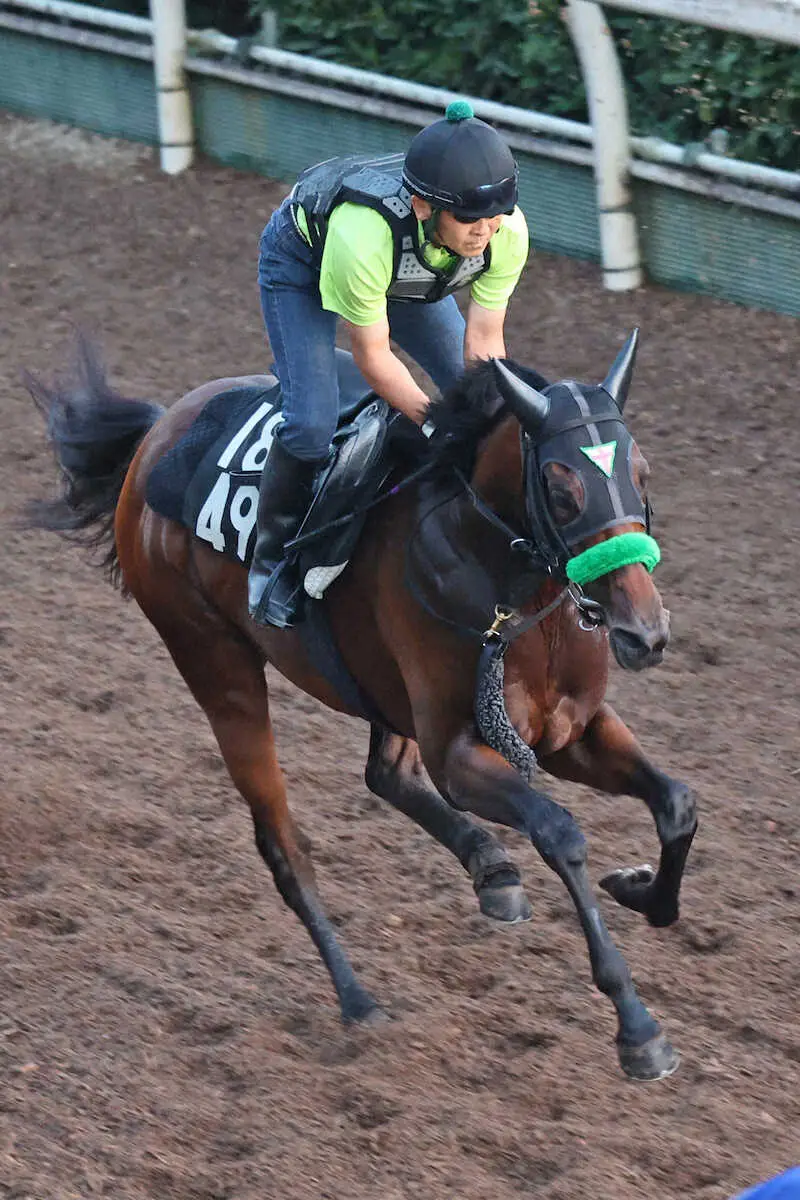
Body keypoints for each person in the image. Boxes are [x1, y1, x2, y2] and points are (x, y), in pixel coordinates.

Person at [250, 99, 530, 627]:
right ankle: (273, 562)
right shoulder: (364, 237)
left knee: (483, 406)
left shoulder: (505, 233)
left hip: (410, 275)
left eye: (496, 213)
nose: (485, 229)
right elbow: (374, 355)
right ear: (425, 206)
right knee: (310, 424)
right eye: (469, 216)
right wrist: (436, 424)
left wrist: (479, 416)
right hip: (304, 264)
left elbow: (485, 338)